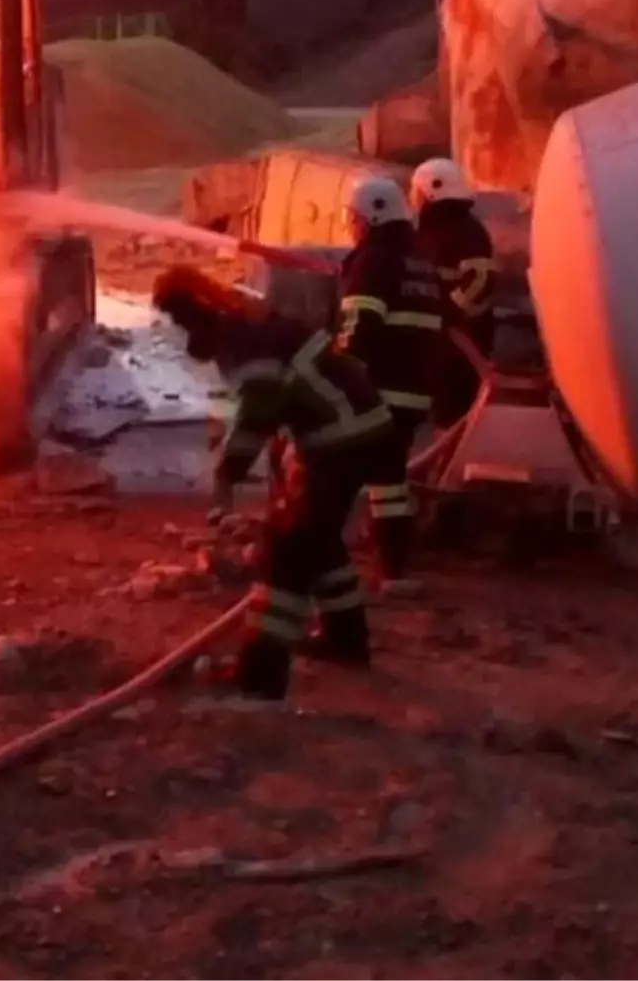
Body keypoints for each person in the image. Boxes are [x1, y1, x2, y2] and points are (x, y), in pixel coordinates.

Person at [152, 265, 396, 701]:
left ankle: (259, 676)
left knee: (286, 550)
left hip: (341, 440)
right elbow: (278, 401)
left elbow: (259, 409)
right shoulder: (246, 323)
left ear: (197, 315)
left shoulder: (243, 338)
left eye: (180, 322)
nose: (182, 336)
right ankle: (346, 641)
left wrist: (228, 473)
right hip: (354, 432)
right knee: (318, 541)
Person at [335, 175, 444, 587]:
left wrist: (334, 377)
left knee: (330, 472)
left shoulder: (374, 259)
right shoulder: (418, 258)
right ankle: (394, 571)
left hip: (377, 391)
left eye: (355, 219)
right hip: (413, 395)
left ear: (374, 215)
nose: (353, 227)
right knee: (389, 483)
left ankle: (313, 560)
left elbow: (358, 328)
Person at [409, 158, 498, 428]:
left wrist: (447, 311)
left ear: (429, 191)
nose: (412, 197)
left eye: (416, 190)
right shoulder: (430, 231)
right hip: (440, 343)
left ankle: (446, 465)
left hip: (461, 346)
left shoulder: (467, 233)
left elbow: (480, 280)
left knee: (453, 418)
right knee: (441, 416)